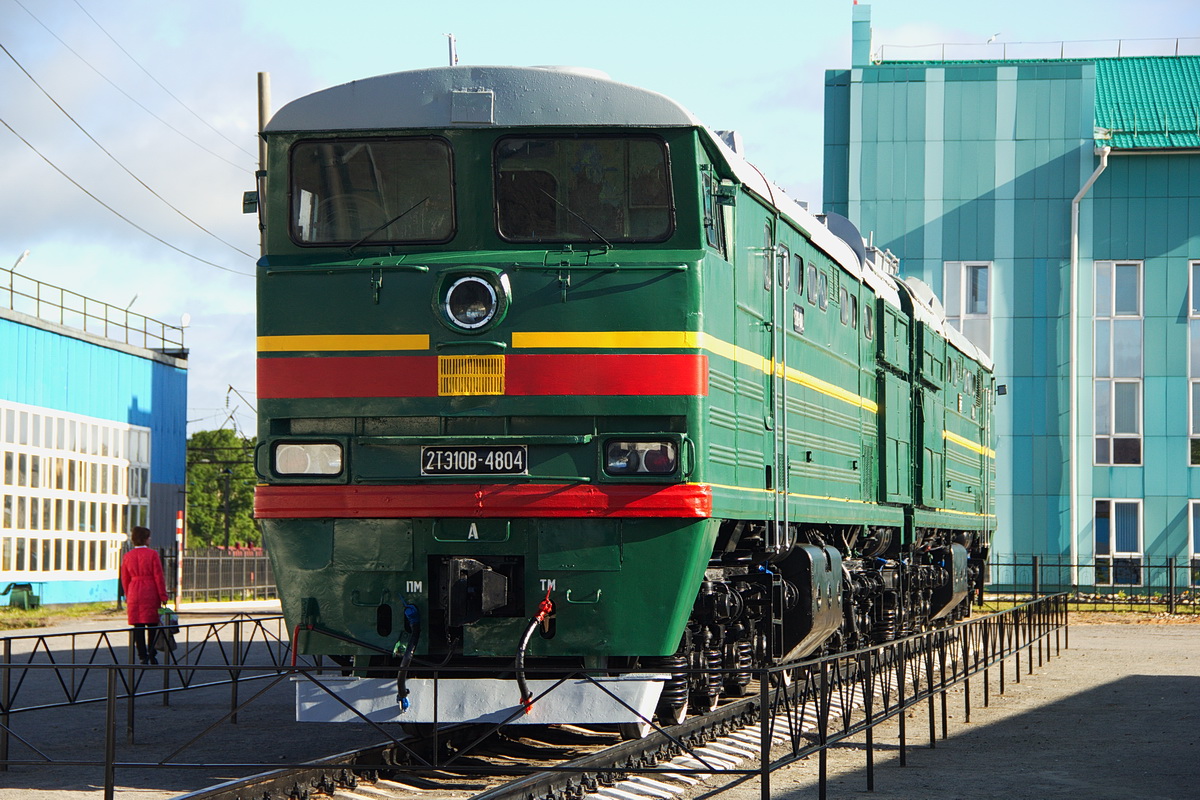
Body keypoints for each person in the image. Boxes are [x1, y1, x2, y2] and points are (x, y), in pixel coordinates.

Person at [120, 526, 169, 665]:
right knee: (152, 624)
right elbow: (159, 577)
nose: (150, 539)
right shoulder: (152, 554)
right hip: (150, 591)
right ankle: (152, 654)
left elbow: (125, 578)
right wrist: (163, 595)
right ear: (145, 539)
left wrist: (128, 595)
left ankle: (142, 655)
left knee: (138, 625)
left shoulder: (127, 556)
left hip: (134, 591)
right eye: (149, 537)